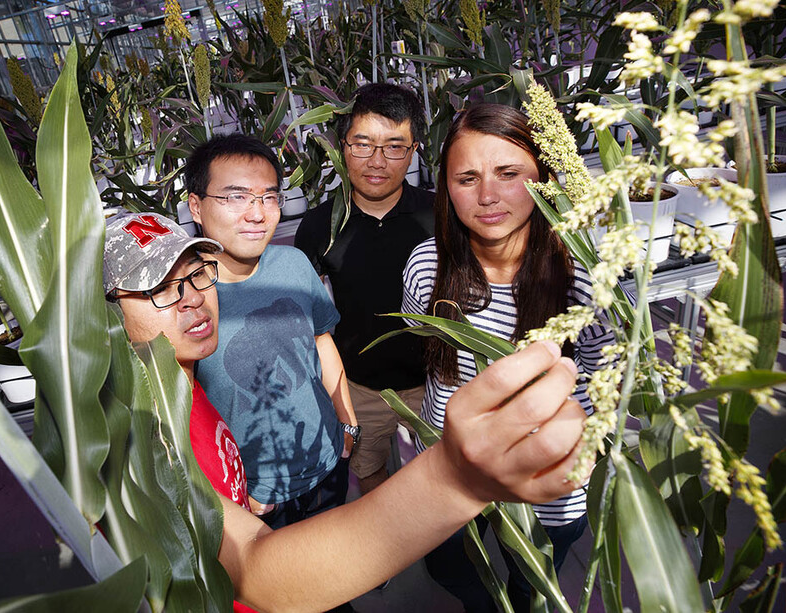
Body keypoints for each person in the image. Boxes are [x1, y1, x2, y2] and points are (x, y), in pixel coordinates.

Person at [104, 211, 587, 612]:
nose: (192, 298)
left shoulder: (181, 386)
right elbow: (252, 566)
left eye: (194, 274)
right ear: (101, 317)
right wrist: (453, 479)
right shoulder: (146, 433)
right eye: (159, 290)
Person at [401, 103, 613, 612]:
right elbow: (420, 341)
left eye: (509, 173)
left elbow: (607, 375)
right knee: (449, 563)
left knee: (531, 581)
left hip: (546, 484)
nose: (488, 196)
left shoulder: (583, 274)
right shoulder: (427, 265)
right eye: (467, 178)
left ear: (544, 178)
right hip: (451, 470)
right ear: (446, 190)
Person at [185, 134, 358, 528]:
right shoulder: (186, 298)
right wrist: (225, 489)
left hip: (328, 462)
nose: (257, 213)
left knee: (337, 578)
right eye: (236, 197)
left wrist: (346, 422)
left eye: (268, 197)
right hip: (256, 497)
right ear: (196, 206)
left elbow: (321, 340)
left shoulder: (293, 264)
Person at [294, 82, 434, 495]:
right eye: (362, 144)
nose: (377, 161)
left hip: (431, 384)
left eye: (394, 147)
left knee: (443, 472)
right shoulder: (319, 226)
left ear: (412, 152)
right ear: (342, 147)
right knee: (367, 468)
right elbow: (310, 322)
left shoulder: (437, 215)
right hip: (359, 387)